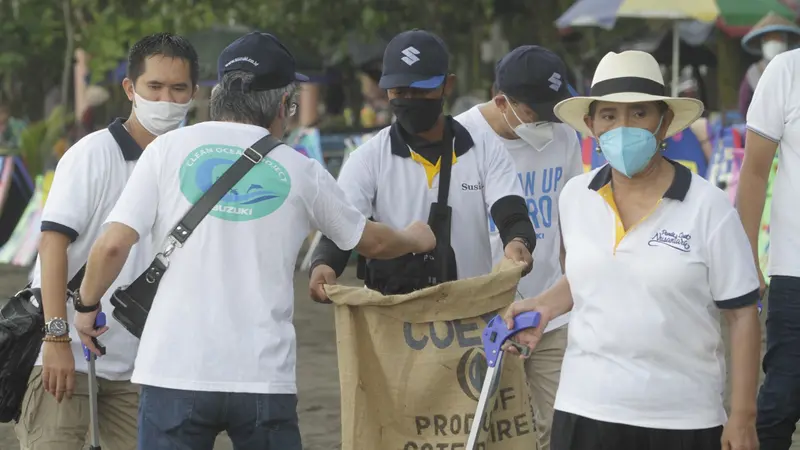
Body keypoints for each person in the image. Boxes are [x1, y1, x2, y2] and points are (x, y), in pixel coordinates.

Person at [71, 31, 436, 450]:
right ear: (284, 104)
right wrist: (415, 237)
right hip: (262, 378)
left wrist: (86, 306)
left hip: (174, 371)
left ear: (221, 93)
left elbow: (113, 245)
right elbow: (370, 241)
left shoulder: (166, 150)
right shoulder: (301, 170)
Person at [504, 50, 761, 450]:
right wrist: (542, 306)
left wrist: (743, 416)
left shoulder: (708, 207)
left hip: (682, 418)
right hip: (584, 409)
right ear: (590, 125)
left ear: (665, 123)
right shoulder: (575, 196)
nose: (623, 127)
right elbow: (589, 276)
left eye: (639, 113)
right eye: (609, 115)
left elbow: (742, 315)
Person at [14, 32, 198, 450]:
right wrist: (56, 339)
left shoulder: (187, 163)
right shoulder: (92, 154)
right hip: (67, 359)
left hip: (144, 366)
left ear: (193, 93)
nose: (166, 99)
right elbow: (52, 244)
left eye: (178, 89)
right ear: (130, 89)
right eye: (154, 87)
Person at [308, 29, 535, 300]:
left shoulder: (484, 148)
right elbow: (341, 229)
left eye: (420, 90)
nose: (410, 100)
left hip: (469, 312)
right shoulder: (368, 158)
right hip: (392, 313)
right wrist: (323, 264)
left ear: (447, 86)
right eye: (400, 91)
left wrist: (518, 242)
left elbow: (512, 215)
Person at [454, 45, 581, 450]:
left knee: (564, 427)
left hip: (550, 312)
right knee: (487, 432)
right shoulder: (459, 139)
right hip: (480, 317)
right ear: (502, 102)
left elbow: (568, 225)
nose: (547, 120)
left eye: (554, 108)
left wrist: (573, 297)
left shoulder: (564, 135)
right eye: (535, 110)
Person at [737, 44, 800, 450]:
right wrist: (746, 261)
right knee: (780, 402)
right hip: (794, 272)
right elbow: (755, 172)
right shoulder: (787, 71)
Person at [738, 12, 800, 119]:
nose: (773, 42)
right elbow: (744, 106)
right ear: (763, 43)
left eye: (777, 38)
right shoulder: (754, 72)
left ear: (785, 41)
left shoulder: (795, 67)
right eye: (769, 39)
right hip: (764, 128)